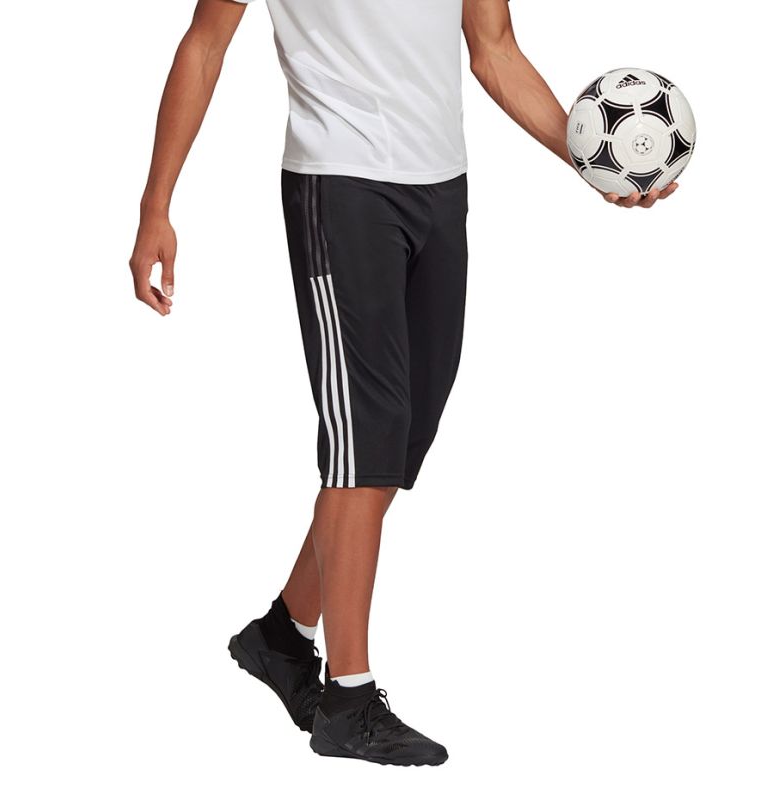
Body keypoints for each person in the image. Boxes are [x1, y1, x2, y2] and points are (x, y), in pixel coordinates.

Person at [129, 0, 676, 767]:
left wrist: (593, 160)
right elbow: (204, 43)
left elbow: (495, 48)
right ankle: (347, 700)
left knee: (402, 436)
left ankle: (282, 635)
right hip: (340, 185)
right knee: (366, 438)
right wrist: (156, 206)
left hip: (439, 188)